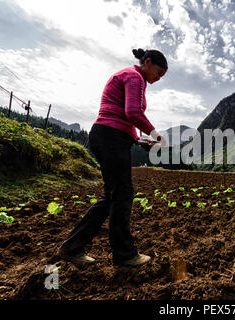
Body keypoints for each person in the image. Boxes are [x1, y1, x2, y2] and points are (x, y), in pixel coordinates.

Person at [57, 48, 167, 267]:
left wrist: (138, 140)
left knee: (112, 197)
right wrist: (157, 136)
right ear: (147, 62)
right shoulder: (134, 76)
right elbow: (133, 113)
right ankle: (125, 254)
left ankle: (72, 247)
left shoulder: (131, 77)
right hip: (110, 137)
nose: (158, 79)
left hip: (109, 136)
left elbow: (121, 116)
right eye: (158, 72)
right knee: (123, 194)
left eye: (162, 76)